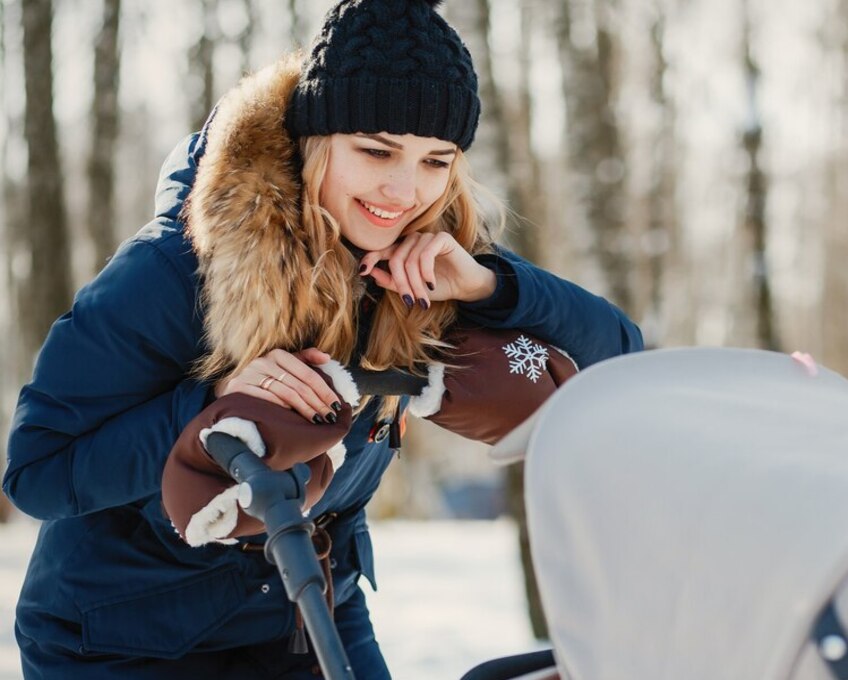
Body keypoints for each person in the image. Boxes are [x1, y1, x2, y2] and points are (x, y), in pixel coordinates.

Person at [3, 0, 643, 677]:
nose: (405, 190)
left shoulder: (432, 263)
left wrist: (490, 285)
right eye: (376, 151)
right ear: (314, 139)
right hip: (123, 637)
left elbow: (621, 361)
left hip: (307, 611)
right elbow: (36, 475)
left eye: (436, 160)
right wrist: (209, 405)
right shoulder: (176, 270)